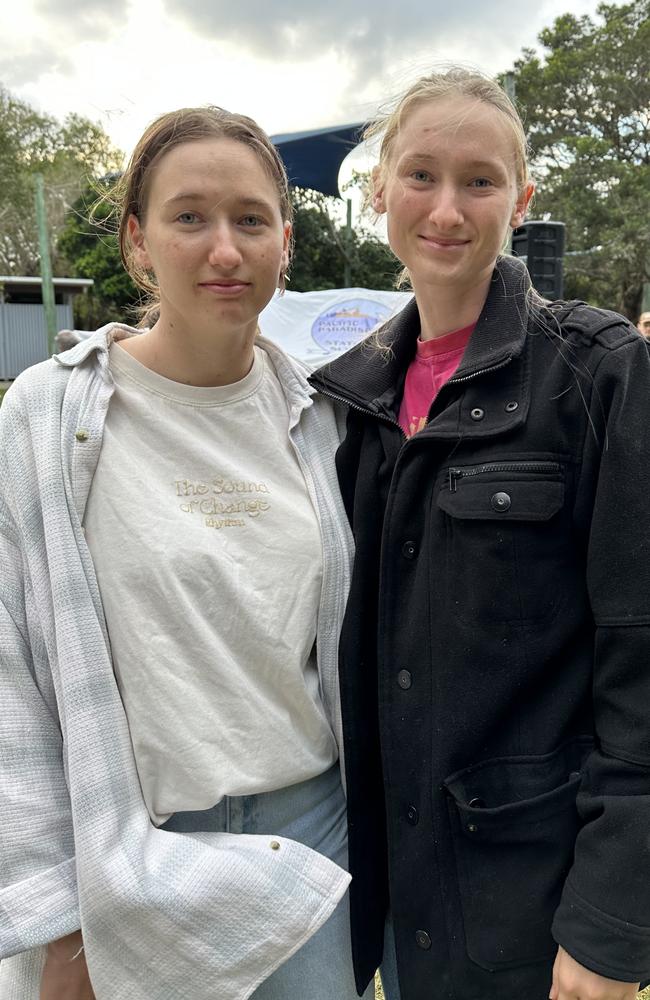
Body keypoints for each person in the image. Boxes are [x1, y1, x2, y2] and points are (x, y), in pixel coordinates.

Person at [0, 107, 373, 1000]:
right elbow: (10, 675)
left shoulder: (328, 423)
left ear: (287, 243)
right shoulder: (48, 420)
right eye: (189, 216)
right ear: (137, 239)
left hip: (310, 839)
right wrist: (58, 921)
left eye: (250, 220)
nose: (225, 249)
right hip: (131, 852)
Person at [310, 68, 650, 1000]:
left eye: (480, 180)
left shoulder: (599, 374)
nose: (446, 209)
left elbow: (641, 659)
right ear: (379, 190)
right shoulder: (345, 402)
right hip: (389, 897)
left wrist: (613, 923)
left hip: (532, 903)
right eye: (420, 175)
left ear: (523, 198)